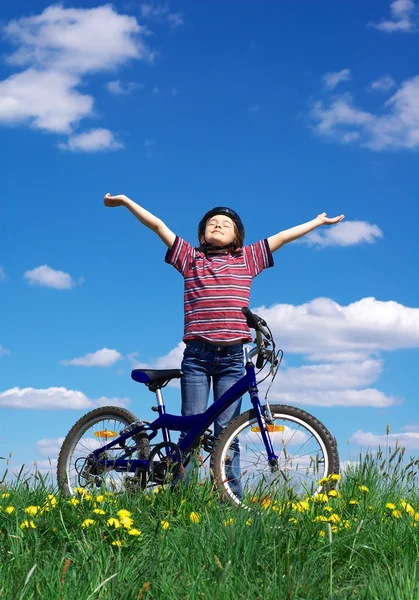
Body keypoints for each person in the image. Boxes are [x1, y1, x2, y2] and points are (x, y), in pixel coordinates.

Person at [103, 193, 344, 494]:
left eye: (225, 224)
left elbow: (282, 237)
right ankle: (181, 498)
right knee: (191, 430)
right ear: (202, 234)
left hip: (233, 359)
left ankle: (230, 500)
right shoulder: (191, 258)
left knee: (228, 434)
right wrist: (126, 202)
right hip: (197, 358)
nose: (217, 225)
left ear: (236, 237)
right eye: (211, 223)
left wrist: (318, 222)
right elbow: (157, 226)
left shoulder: (247, 258)